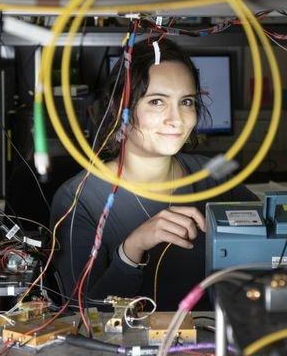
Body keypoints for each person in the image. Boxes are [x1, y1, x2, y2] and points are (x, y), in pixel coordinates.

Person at [50, 37, 258, 311]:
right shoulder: (80, 199)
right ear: (120, 110)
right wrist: (132, 249)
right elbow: (81, 313)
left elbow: (274, 243)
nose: (177, 119)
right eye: (157, 101)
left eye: (186, 102)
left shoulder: (213, 175)